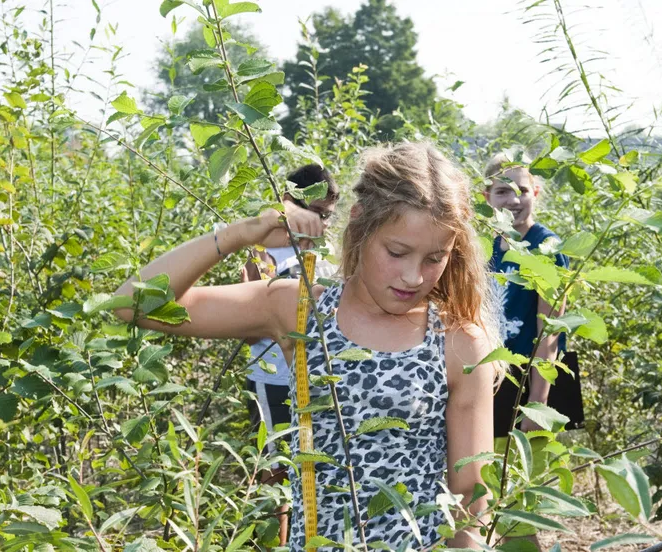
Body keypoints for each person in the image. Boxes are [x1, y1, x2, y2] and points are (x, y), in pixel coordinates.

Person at [114, 142, 500, 549]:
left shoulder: (459, 342)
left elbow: (472, 501)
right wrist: (242, 233)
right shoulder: (299, 309)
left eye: (434, 258)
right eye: (397, 252)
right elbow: (133, 303)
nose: (413, 277)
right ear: (359, 224)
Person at [240, 163, 339, 547]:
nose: (320, 223)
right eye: (312, 213)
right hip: (274, 380)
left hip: (317, 382)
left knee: (313, 471)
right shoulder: (267, 251)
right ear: (288, 206)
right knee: (275, 473)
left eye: (327, 215)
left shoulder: (329, 256)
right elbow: (250, 325)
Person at [483, 152, 570, 548]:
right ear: (487, 196)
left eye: (522, 190)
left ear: (536, 192)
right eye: (503, 191)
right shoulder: (480, 244)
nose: (513, 200)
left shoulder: (546, 246)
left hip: (530, 378)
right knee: (482, 485)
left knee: (517, 496)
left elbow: (548, 331)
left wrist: (537, 404)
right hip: (485, 375)